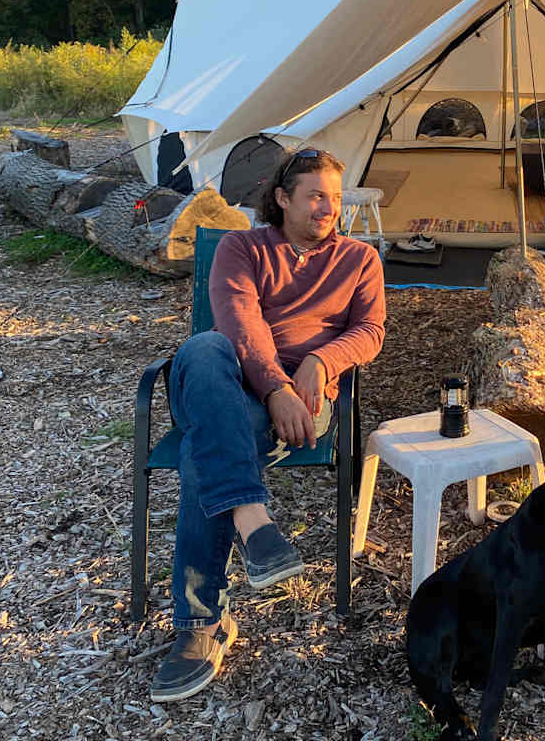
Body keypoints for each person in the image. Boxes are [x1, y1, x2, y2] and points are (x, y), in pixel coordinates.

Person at [152, 148, 386, 703]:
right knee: (205, 344)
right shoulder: (242, 247)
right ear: (282, 199)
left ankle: (198, 625)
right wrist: (275, 384)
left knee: (200, 454)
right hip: (227, 381)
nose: (328, 208)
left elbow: (371, 331)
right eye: (315, 196)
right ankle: (254, 521)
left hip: (297, 401)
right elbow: (238, 323)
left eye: (334, 196)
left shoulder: (358, 259)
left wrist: (320, 361)